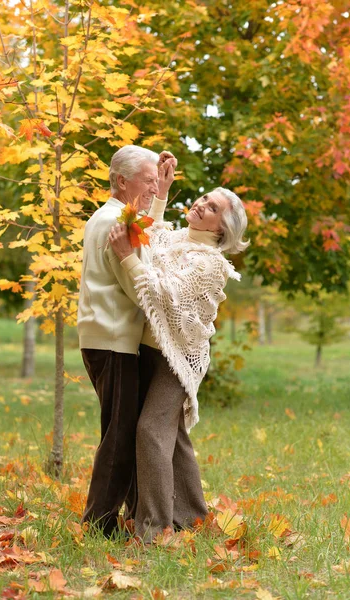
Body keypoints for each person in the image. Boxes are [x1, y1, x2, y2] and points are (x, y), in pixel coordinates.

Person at [109, 187, 249, 542]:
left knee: (151, 431)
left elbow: (163, 293)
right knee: (176, 436)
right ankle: (193, 516)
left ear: (222, 228)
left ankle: (155, 529)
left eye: (213, 207)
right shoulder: (175, 240)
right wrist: (162, 191)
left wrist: (127, 258)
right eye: (204, 198)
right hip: (148, 349)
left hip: (178, 359)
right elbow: (153, 237)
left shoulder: (211, 264)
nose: (202, 204)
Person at [77, 144, 176, 536]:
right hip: (114, 340)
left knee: (121, 431)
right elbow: (141, 286)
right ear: (122, 181)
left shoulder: (115, 216)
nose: (153, 187)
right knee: (118, 437)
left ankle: (127, 514)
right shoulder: (117, 223)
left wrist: (163, 195)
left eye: (156, 181)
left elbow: (144, 244)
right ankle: (98, 523)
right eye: (148, 180)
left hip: (107, 337)